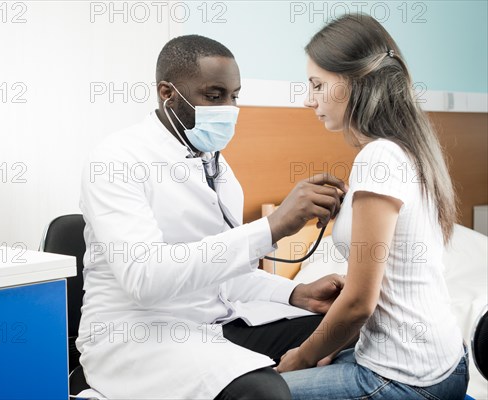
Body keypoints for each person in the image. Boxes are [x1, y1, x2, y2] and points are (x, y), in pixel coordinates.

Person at [77, 34, 347, 399]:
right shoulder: (117, 160)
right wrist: (272, 226)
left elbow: (224, 277)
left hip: (212, 327)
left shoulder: (218, 170)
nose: (229, 108)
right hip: (137, 336)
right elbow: (145, 277)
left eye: (234, 96)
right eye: (214, 95)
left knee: (341, 331)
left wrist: (297, 293)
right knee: (262, 393)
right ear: (167, 93)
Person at [278, 13, 469, 400]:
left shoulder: (378, 158)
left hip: (405, 377)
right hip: (445, 363)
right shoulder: (407, 151)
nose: (308, 99)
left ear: (353, 83)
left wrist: (299, 358)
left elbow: (359, 304)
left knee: (253, 392)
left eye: (317, 85)